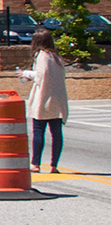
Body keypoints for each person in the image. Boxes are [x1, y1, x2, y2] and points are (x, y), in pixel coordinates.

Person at [22, 28, 68, 173]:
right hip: (58, 99)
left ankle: (35, 164)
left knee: (38, 131)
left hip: (43, 98)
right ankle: (54, 166)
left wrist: (26, 74)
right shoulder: (57, 57)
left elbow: (41, 76)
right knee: (56, 133)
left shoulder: (41, 56)